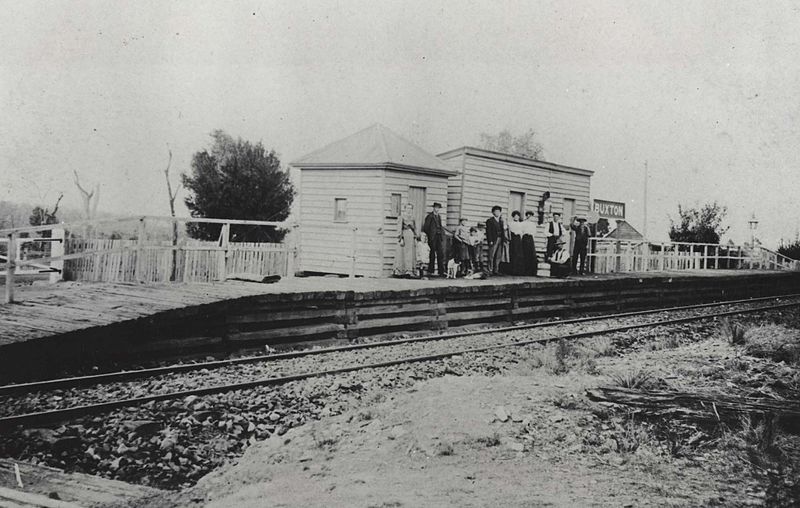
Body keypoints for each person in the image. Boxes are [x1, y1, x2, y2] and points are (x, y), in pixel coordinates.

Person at [392, 203, 418, 278]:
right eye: (407, 208)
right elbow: (399, 228)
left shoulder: (413, 218)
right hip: (404, 236)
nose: (409, 210)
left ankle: (409, 271)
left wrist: (415, 237)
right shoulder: (401, 217)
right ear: (405, 209)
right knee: (402, 254)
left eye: (410, 208)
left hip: (411, 237)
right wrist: (401, 238)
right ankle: (400, 271)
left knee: (410, 254)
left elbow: (415, 228)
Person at [422, 202, 447, 277]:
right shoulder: (430, 216)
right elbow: (426, 227)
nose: (437, 209)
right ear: (433, 208)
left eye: (438, 208)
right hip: (432, 238)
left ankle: (441, 271)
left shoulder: (439, 216)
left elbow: (440, 226)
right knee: (432, 253)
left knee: (440, 253)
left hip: (438, 237)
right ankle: (430, 270)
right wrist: (430, 235)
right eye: (436, 208)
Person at [485, 205, 506, 275]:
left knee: (498, 256)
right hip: (494, 239)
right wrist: (490, 240)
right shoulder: (490, 221)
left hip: (500, 239)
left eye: (499, 211)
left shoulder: (501, 221)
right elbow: (488, 232)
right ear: (493, 212)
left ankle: (496, 270)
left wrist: (504, 240)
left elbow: (503, 231)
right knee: (491, 255)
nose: (497, 213)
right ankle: (490, 270)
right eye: (496, 211)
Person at [521, 210, 538, 276]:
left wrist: (532, 239)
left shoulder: (533, 224)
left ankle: (530, 271)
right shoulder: (523, 223)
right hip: (525, 238)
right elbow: (521, 231)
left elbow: (534, 232)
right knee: (525, 254)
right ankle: (524, 270)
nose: (529, 216)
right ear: (526, 215)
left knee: (531, 254)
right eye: (528, 215)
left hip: (530, 239)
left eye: (530, 215)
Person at [508, 211, 525, 275]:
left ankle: (518, 270)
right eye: (515, 216)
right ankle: (512, 270)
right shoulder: (510, 223)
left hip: (518, 238)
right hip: (513, 238)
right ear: (513, 216)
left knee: (519, 254)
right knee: (513, 253)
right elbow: (510, 231)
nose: (516, 217)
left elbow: (522, 232)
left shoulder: (520, 224)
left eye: (517, 216)